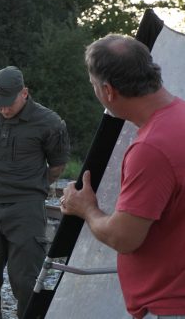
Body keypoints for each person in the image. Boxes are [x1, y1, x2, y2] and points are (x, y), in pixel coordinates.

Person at [60, 34, 185, 319]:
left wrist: (86, 208)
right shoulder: (180, 115)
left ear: (107, 91)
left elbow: (124, 238)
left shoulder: (151, 148)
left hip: (170, 307)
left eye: (94, 85)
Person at [0, 66, 70, 319]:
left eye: (9, 103)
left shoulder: (49, 122)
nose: (4, 108)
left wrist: (30, 185)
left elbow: (57, 166)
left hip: (26, 208)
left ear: (24, 93)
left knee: (26, 284)